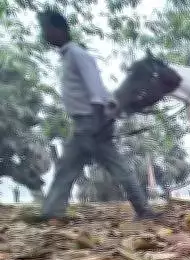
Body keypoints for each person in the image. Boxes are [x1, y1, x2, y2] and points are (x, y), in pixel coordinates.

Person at [37, 9, 156, 222]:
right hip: (90, 120)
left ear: (59, 29)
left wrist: (99, 122)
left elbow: (96, 90)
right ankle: (144, 210)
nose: (44, 34)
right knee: (114, 167)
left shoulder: (77, 55)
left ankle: (52, 213)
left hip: (90, 120)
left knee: (68, 167)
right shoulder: (69, 56)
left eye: (46, 29)